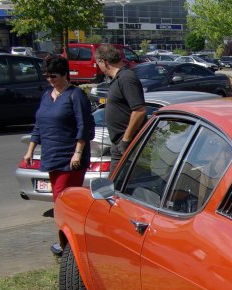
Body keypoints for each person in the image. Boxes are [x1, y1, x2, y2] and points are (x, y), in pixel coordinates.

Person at [23, 55, 94, 203]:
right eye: (46, 76)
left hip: (69, 158)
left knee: (63, 198)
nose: (50, 79)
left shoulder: (76, 95)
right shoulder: (46, 95)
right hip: (51, 155)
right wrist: (30, 151)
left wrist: (78, 153)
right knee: (58, 197)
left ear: (64, 74)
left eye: (53, 76)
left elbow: (84, 126)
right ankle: (65, 225)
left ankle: (65, 225)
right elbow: (39, 125)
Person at [95, 44, 146, 168]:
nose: (99, 68)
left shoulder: (126, 78)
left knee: (118, 185)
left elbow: (139, 110)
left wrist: (126, 140)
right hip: (119, 144)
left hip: (128, 145)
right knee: (117, 185)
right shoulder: (118, 79)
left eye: (98, 64)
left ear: (104, 62)